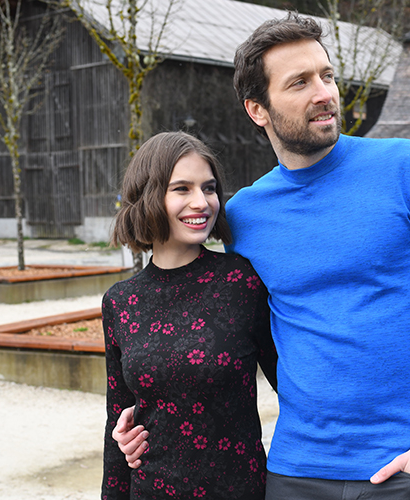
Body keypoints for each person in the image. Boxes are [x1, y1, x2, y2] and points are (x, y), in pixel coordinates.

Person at [118, 12, 410, 500]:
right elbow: (229, 341)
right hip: (294, 472)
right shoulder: (244, 216)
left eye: (327, 76)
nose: (323, 93)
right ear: (257, 109)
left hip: (407, 470)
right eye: (299, 82)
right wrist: (148, 421)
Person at [100, 131, 277, 499]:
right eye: (182, 189)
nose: (202, 202)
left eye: (209, 188)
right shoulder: (120, 302)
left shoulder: (242, 282)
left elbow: (292, 385)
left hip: (239, 491)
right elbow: (117, 418)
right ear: (149, 197)